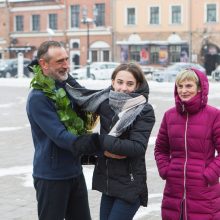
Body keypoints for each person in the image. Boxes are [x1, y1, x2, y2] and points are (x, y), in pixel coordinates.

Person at [66, 63, 155, 220]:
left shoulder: (144, 110)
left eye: (130, 83)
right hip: (108, 183)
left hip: (130, 185)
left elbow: (137, 147)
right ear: (113, 82)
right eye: (120, 82)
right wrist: (63, 74)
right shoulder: (105, 102)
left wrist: (100, 141)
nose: (123, 88)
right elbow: (82, 94)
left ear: (138, 85)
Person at [26, 40, 99, 220]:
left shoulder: (65, 85)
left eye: (66, 59)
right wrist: (96, 144)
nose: (66, 65)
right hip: (51, 177)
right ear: (43, 64)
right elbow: (60, 136)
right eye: (60, 61)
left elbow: (87, 98)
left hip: (74, 172)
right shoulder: (38, 98)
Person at [154, 68, 220, 220]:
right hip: (174, 191)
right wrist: (166, 170)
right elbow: (160, 149)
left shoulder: (214, 115)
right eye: (180, 86)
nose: (183, 90)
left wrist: (209, 174)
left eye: (189, 86)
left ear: (199, 88)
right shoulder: (169, 115)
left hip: (204, 191)